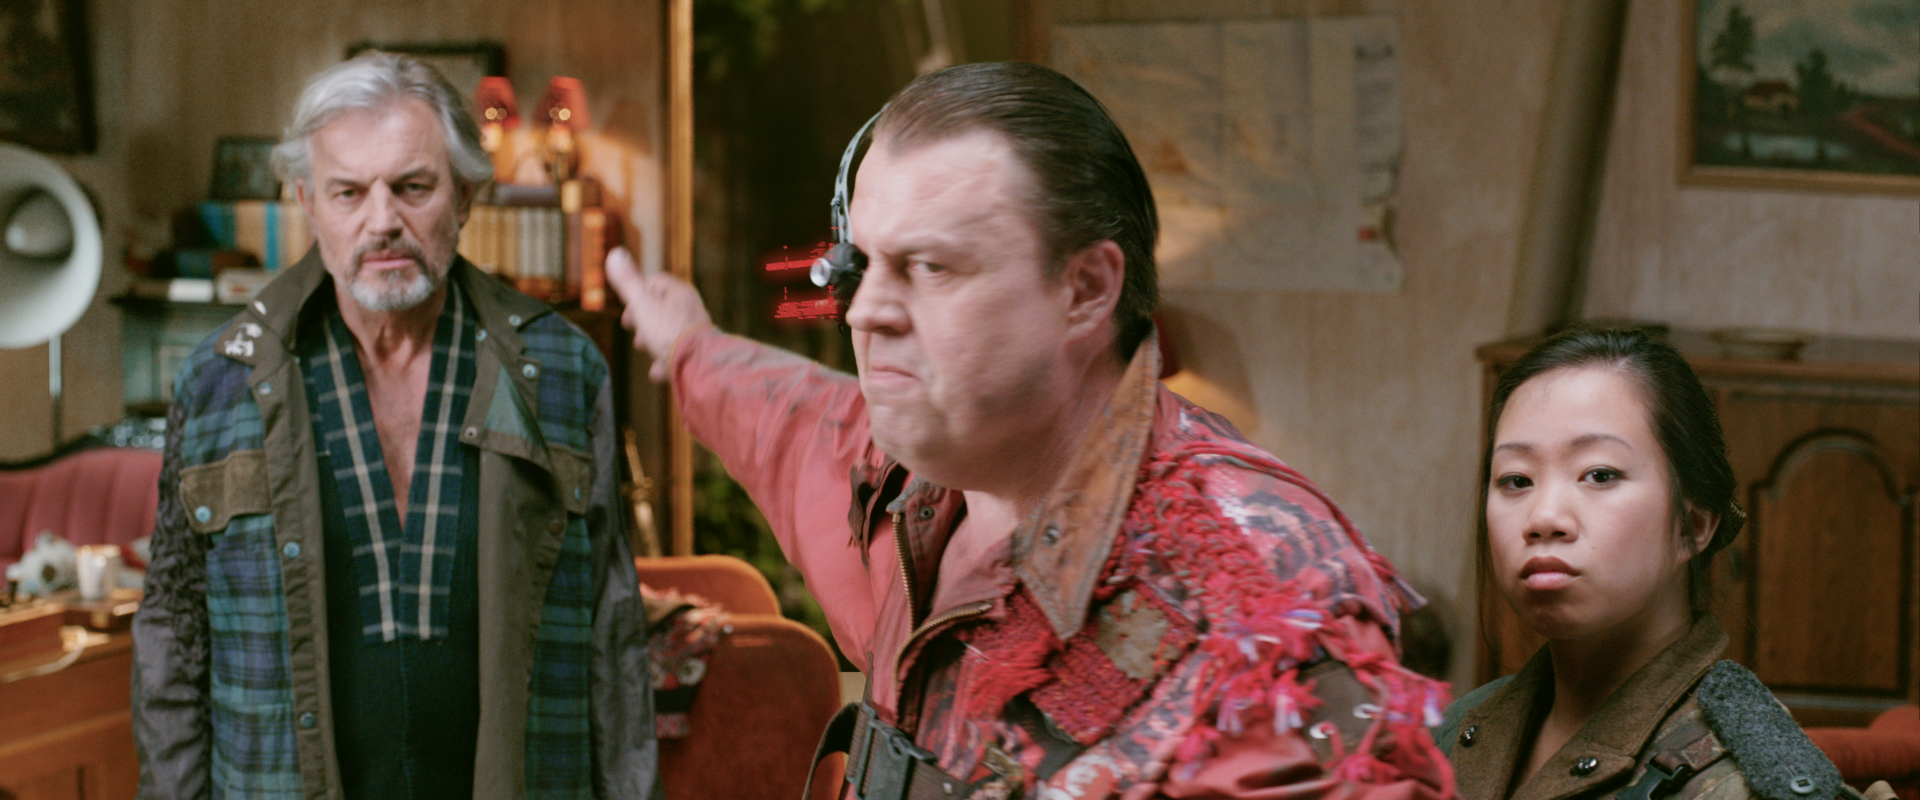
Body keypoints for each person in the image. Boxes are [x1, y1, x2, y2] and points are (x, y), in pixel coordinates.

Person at [609, 61, 1452, 800]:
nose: (865, 312)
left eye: (928, 266)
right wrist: (687, 344)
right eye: (864, 265)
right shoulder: (913, 481)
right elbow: (788, 418)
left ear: (1086, 288)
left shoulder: (1263, 615)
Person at [131, 51, 657, 800]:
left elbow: (613, 636)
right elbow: (173, 636)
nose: (382, 223)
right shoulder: (219, 383)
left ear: (465, 196)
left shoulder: (565, 372)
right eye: (348, 192)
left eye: (413, 187)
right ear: (308, 203)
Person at [1436, 328, 1887, 800]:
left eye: (1599, 474)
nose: (1543, 518)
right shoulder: (1453, 732)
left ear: (1693, 526)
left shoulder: (1738, 784)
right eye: (1516, 480)